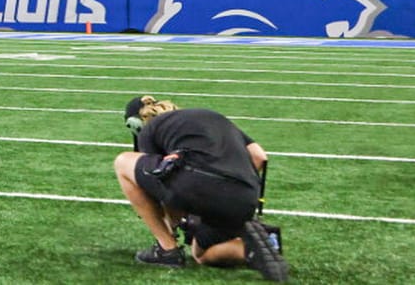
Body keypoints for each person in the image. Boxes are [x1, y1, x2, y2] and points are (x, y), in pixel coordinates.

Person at [115, 95, 287, 278]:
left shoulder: (150, 130)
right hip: (245, 199)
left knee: (122, 162)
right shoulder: (210, 116)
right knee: (200, 254)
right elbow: (259, 156)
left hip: (199, 186)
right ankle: (250, 249)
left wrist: (179, 219)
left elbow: (162, 182)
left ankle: (167, 250)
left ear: (136, 123)